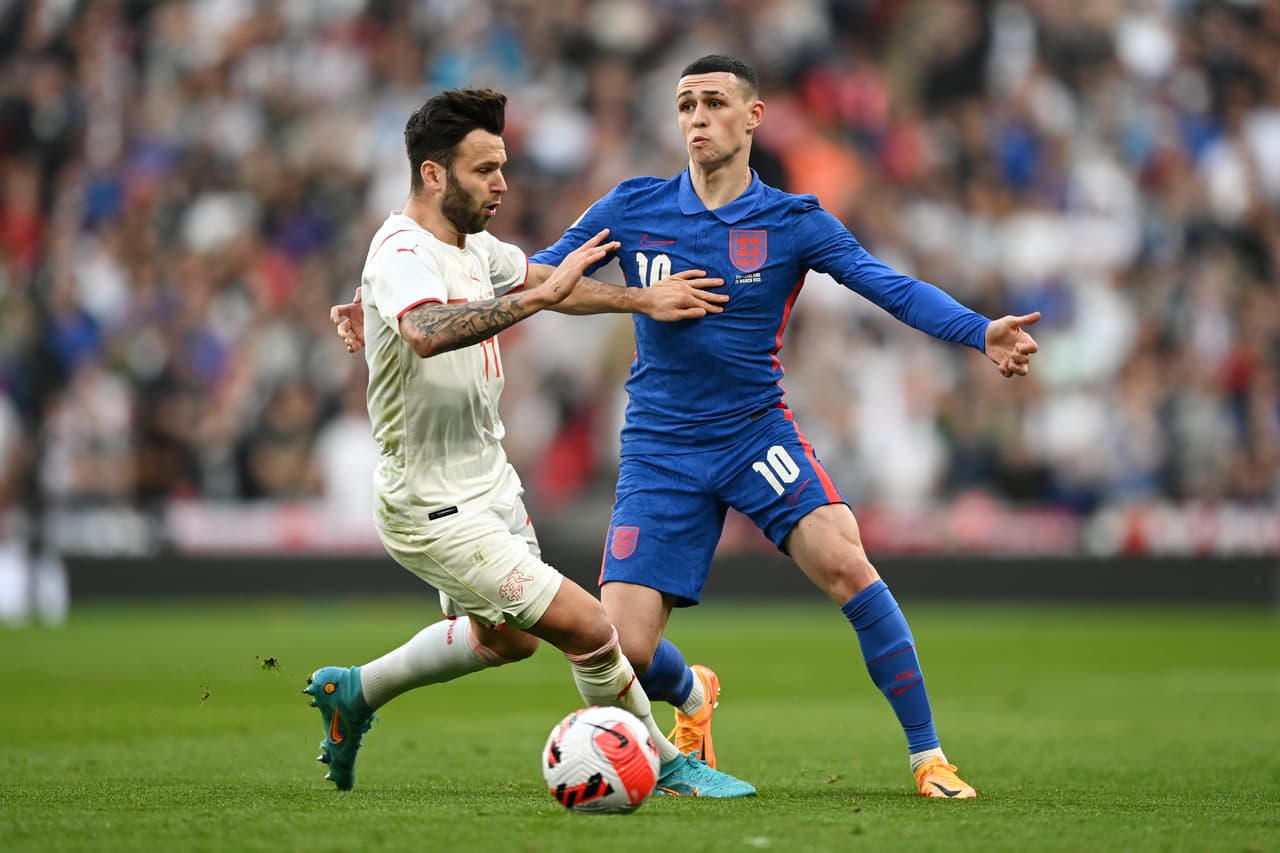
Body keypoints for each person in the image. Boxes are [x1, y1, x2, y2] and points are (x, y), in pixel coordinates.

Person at [333, 57, 1041, 799]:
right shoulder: (634, 206)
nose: (697, 117)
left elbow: (887, 285)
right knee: (624, 649)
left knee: (845, 562)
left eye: (712, 102)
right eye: (685, 105)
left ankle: (929, 757)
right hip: (660, 448)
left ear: (753, 117)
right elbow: (526, 274)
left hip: (754, 433)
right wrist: (376, 302)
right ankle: (693, 691)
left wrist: (978, 331)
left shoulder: (793, 220)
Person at [305, 86, 754, 799]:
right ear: (433, 173)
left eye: (503, 165)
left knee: (505, 639)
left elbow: (554, 281)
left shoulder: (473, 248)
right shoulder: (399, 252)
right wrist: (532, 302)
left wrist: (640, 299)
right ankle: (668, 762)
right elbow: (424, 332)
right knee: (588, 625)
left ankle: (355, 691)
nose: (502, 184)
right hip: (429, 500)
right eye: (485, 169)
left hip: (487, 481)